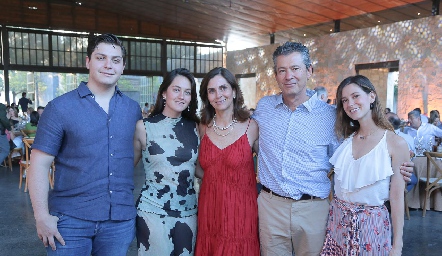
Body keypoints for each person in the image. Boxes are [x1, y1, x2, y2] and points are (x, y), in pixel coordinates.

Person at [252, 41, 415, 256]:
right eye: (282, 70)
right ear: (275, 75)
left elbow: (363, 153)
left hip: (313, 209)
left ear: (309, 71)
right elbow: (249, 140)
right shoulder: (264, 107)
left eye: (295, 68)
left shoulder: (330, 116)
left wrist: (401, 169)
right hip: (270, 207)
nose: (288, 76)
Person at [28, 33, 142, 255]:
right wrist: (41, 216)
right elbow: (39, 165)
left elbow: (133, 155)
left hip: (119, 221)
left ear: (123, 67)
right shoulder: (60, 108)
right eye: (101, 58)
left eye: (115, 60)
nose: (108, 65)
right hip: (70, 221)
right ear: (88, 61)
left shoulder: (132, 109)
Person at [320, 75, 407, 255]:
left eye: (355, 96)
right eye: (344, 100)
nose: (350, 103)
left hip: (371, 228)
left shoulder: (395, 143)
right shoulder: (345, 140)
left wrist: (397, 245)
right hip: (337, 223)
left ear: (372, 97)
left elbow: (398, 198)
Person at [133, 68, 200, 255]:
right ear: (164, 92)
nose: (182, 96)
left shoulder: (196, 127)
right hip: (152, 211)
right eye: (176, 90)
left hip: (187, 212)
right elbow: (124, 168)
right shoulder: (144, 127)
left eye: (187, 92)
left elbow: (201, 169)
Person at [195, 67, 259, 256]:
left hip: (241, 212)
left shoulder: (251, 126)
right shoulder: (202, 127)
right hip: (210, 209)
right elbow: (197, 167)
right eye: (212, 90)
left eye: (223, 88)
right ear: (206, 96)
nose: (218, 95)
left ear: (234, 91)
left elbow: (268, 165)